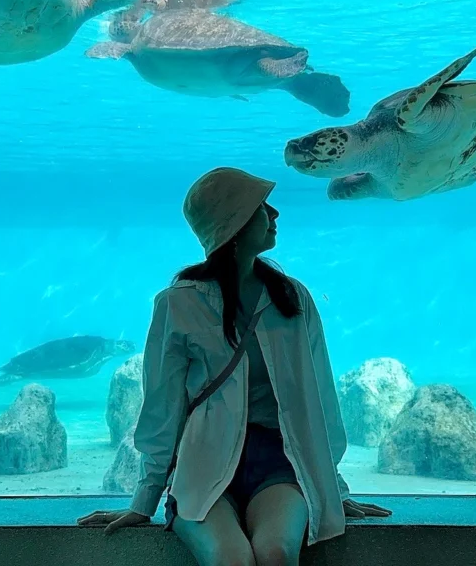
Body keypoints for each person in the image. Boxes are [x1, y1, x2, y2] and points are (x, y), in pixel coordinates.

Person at [78, 167, 390, 565]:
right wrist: (144, 500)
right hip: (202, 466)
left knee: (275, 553)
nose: (274, 214)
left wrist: (333, 489)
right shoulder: (177, 304)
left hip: (280, 463)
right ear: (236, 224)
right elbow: (162, 410)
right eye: (262, 207)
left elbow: (319, 400)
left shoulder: (292, 299)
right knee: (232, 560)